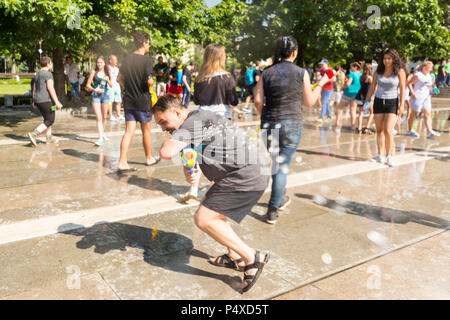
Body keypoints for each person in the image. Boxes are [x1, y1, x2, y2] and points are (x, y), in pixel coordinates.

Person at [152, 94, 270, 294]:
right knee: (214, 211)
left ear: (177, 112)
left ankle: (251, 257)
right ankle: (234, 255)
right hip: (241, 173)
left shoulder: (192, 122)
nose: (163, 128)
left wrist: (167, 143)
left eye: (163, 122)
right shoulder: (197, 119)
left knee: (204, 219)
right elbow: (198, 153)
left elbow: (166, 153)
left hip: (245, 176)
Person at [254, 36, 331, 224]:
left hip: (269, 122)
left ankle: (279, 198)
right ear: (294, 52)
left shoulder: (267, 72)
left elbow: (257, 100)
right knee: (282, 167)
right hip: (291, 123)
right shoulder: (301, 72)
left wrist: (265, 113)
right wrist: (320, 84)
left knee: (276, 164)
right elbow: (309, 101)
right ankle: (273, 208)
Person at [180, 43, 241, 202]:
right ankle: (214, 195)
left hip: (201, 120)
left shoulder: (200, 78)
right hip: (221, 122)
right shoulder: (227, 77)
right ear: (222, 57)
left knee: (201, 156)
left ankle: (193, 187)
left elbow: (198, 100)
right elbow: (233, 101)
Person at [116, 30, 158, 172]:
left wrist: (126, 88)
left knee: (128, 132)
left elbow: (118, 79)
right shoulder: (146, 60)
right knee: (146, 130)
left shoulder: (127, 59)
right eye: (149, 43)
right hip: (142, 101)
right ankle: (149, 158)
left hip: (129, 100)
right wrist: (149, 86)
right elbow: (150, 81)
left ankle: (122, 162)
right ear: (144, 42)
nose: (149, 46)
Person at [363, 48, 406, 167]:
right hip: (378, 101)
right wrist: (366, 101)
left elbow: (402, 88)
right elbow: (372, 87)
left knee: (388, 130)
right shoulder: (378, 71)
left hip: (392, 102)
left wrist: (402, 105)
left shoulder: (400, 72)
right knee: (379, 131)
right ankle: (379, 155)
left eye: (389, 58)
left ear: (394, 59)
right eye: (385, 59)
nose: (386, 61)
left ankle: (389, 156)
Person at [28, 56, 64, 146]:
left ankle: (49, 137)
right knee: (50, 120)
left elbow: (34, 88)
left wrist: (34, 100)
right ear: (48, 64)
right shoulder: (48, 74)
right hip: (46, 100)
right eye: (51, 63)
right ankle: (33, 134)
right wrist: (57, 102)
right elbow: (51, 88)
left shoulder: (37, 74)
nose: (52, 65)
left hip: (38, 100)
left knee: (47, 118)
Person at [406, 61, 440, 139]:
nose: (432, 69)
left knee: (428, 113)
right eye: (430, 67)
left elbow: (428, 85)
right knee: (414, 114)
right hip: (417, 97)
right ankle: (410, 130)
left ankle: (429, 131)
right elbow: (409, 84)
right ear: (425, 67)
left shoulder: (429, 75)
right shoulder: (418, 75)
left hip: (426, 97)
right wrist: (413, 93)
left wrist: (434, 89)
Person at [85, 56, 113, 146]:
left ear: (104, 63)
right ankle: (100, 138)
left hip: (105, 95)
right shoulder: (94, 72)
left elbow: (112, 85)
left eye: (101, 62)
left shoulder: (107, 72)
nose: (99, 64)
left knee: (104, 117)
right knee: (99, 118)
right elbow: (87, 85)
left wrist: (108, 80)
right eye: (98, 62)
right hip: (96, 96)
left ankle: (103, 133)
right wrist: (94, 89)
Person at [335, 62, 362, 134]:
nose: (350, 69)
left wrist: (342, 88)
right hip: (356, 94)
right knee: (353, 110)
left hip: (347, 93)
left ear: (355, 67)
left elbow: (347, 83)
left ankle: (337, 123)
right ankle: (352, 126)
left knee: (339, 108)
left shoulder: (352, 74)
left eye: (351, 67)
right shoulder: (361, 75)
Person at [356, 63, 374, 134]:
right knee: (372, 112)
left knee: (361, 113)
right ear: (370, 69)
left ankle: (359, 128)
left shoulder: (361, 77)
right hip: (367, 97)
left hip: (360, 96)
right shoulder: (370, 78)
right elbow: (373, 88)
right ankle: (367, 127)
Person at [317, 59, 336, 124]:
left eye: (323, 64)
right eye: (321, 64)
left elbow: (334, 79)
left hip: (329, 89)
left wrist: (325, 80)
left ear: (327, 64)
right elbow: (318, 80)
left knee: (324, 102)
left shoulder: (329, 70)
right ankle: (329, 116)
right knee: (326, 103)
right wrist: (317, 76)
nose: (321, 65)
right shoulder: (320, 71)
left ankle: (321, 117)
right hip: (323, 89)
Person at [107, 55, 124, 121]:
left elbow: (118, 77)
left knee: (118, 101)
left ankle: (118, 115)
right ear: (110, 61)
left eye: (116, 60)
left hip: (117, 86)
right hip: (110, 86)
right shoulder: (107, 68)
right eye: (114, 60)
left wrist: (121, 84)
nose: (116, 61)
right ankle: (110, 115)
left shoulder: (117, 68)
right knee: (110, 101)